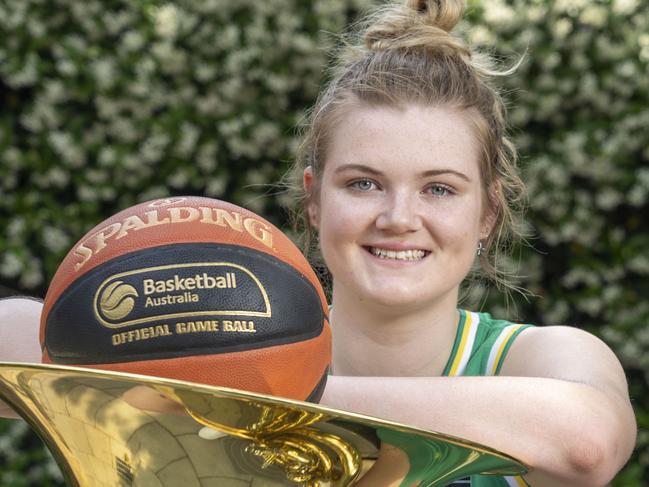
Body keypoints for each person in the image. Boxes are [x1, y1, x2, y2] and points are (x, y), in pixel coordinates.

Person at [0, 1, 636, 486]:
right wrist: (205, 364)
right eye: (363, 183)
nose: (398, 217)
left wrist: (262, 394)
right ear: (314, 198)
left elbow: (587, 443)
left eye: (440, 190)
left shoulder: (534, 361)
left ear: (488, 213)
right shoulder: (219, 337)